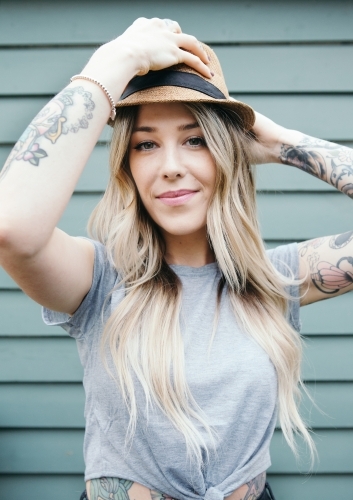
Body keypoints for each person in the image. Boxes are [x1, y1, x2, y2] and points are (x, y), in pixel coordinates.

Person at [0, 17, 352, 500]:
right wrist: (115, 61)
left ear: (228, 155)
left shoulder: (277, 280)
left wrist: (278, 142)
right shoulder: (97, 282)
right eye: (146, 144)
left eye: (196, 139)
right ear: (127, 165)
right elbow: (12, 228)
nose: (170, 167)